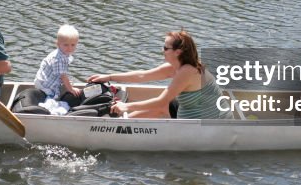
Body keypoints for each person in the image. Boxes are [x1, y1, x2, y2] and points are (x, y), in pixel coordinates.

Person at [87, 30, 227, 119]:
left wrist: (126, 107)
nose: (162, 50)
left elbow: (161, 101)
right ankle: (120, 126)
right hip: (191, 109)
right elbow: (142, 76)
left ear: (178, 52)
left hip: (209, 123)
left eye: (165, 48)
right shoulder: (175, 67)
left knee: (160, 106)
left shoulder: (187, 71)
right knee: (160, 108)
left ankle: (119, 129)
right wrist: (110, 77)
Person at [34, 24, 82, 102]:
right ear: (58, 44)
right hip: (46, 86)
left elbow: (61, 73)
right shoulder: (59, 59)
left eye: (73, 45)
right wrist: (71, 89)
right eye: (66, 45)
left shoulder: (62, 53)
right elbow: (63, 76)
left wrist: (66, 83)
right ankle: (48, 101)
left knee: (66, 82)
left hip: (41, 80)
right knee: (53, 100)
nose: (70, 48)